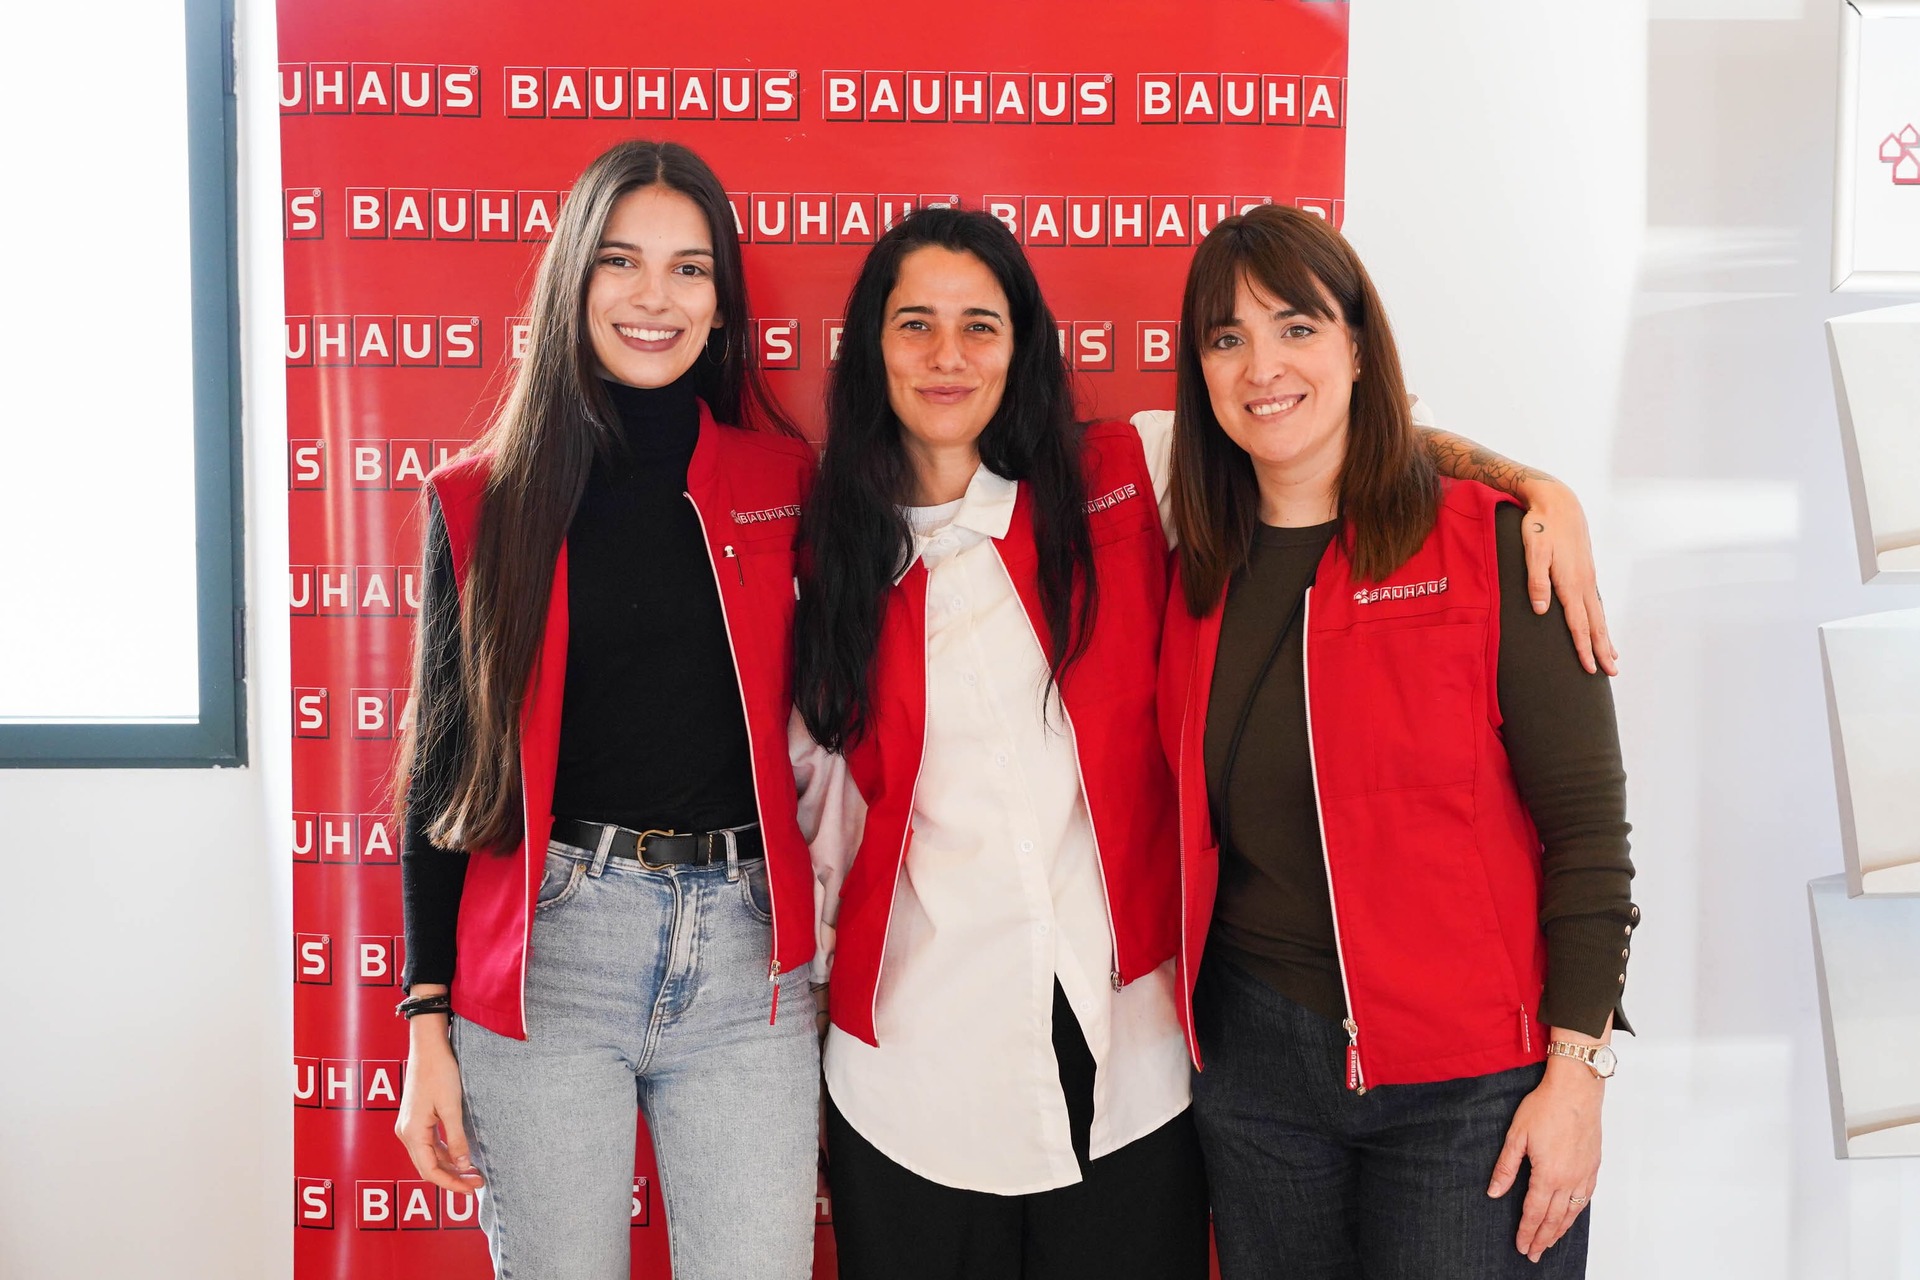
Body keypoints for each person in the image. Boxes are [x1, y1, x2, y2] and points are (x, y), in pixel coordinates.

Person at [789, 206, 1608, 1280]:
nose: (949, 356)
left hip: (1138, 1066)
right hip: (916, 1073)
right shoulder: (824, 558)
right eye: (915, 325)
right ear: (872, 347)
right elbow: (820, 824)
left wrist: (1538, 488)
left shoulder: (1128, 475)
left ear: (1023, 346)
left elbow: (1314, 431)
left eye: (980, 325)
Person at [1156, 203, 1637, 1279]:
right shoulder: (1191, 571)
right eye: (1227, 338)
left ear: (1360, 346)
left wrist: (1579, 1073)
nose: (1262, 366)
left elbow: (1590, 838)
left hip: (1473, 1093)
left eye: (1296, 327)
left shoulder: (1495, 545)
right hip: (1256, 1080)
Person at [390, 140, 821, 1280]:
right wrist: (426, 1021)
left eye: (690, 269)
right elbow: (439, 780)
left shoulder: (786, 484)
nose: (654, 297)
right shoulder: (481, 500)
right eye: (621, 261)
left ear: (721, 303)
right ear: (573, 278)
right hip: (550, 956)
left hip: (748, 958)